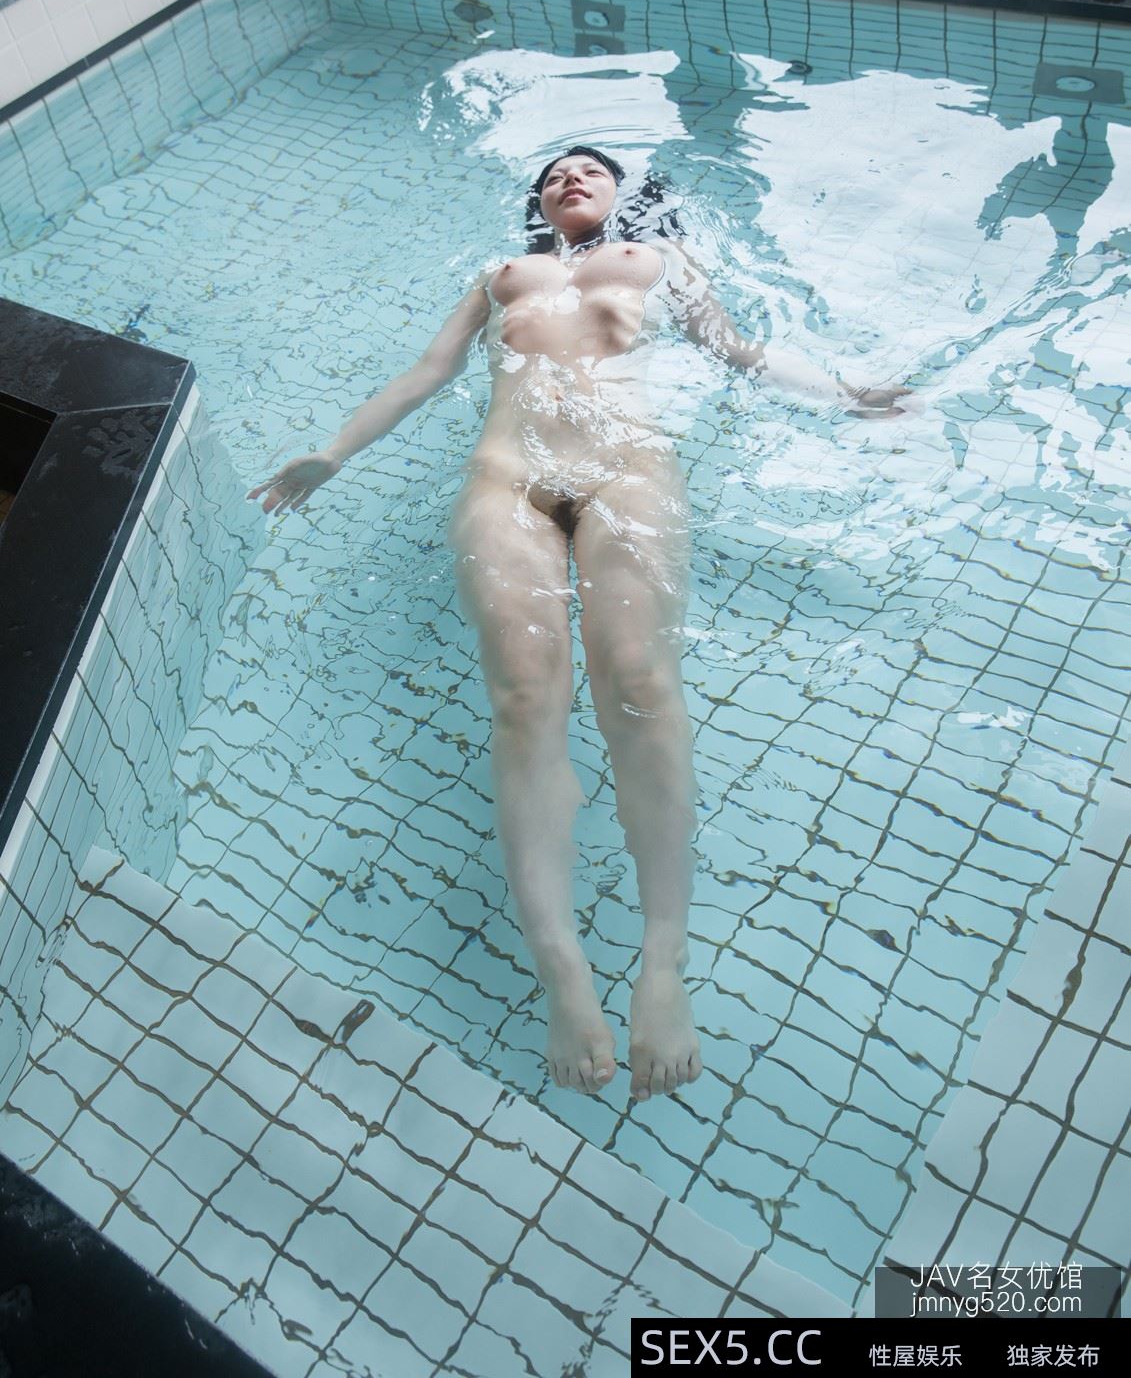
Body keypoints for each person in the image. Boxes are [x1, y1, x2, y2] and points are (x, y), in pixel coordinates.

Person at [248, 147, 910, 1102]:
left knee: (638, 680)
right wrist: (333, 453)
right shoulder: (501, 277)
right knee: (524, 698)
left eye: (591, 169)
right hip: (506, 481)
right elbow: (427, 372)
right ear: (538, 201)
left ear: (620, 194)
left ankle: (661, 964)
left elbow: (737, 352)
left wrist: (845, 394)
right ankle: (563, 970)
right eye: (556, 171)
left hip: (626, 469)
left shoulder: (658, 263)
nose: (571, 176)